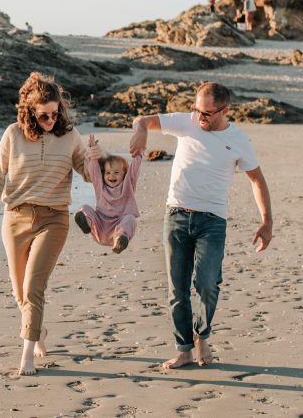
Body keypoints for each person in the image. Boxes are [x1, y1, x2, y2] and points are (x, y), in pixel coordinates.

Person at [128, 82, 273, 370]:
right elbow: (142, 120)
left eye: (206, 113)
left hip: (212, 221)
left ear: (225, 110)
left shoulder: (239, 141)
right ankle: (183, 349)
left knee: (207, 284)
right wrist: (141, 131)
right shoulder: (187, 122)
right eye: (196, 109)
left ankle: (201, 335)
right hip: (176, 216)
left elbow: (257, 179)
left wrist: (267, 221)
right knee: (176, 288)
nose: (199, 117)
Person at [0, 72, 91, 376]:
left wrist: (97, 162)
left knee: (34, 288)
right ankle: (37, 330)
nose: (51, 119)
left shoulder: (70, 136)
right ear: (30, 111)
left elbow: (87, 172)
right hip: (16, 218)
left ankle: (27, 356)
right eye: (44, 115)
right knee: (19, 293)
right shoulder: (13, 134)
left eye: (55, 113)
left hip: (53, 219)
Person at [74, 135, 142, 254]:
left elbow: (134, 169)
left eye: (116, 172)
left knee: (130, 219)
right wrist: (92, 152)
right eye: (108, 173)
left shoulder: (128, 186)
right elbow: (94, 170)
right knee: (85, 208)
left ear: (124, 174)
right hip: (99, 227)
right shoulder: (100, 186)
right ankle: (86, 224)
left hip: (117, 229)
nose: (111, 176)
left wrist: (138, 152)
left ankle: (120, 241)